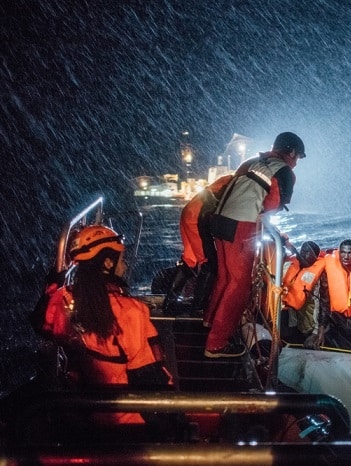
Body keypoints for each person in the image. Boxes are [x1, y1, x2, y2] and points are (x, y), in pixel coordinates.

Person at [43, 225, 172, 424]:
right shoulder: (132, 311)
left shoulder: (63, 300)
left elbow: (42, 321)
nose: (125, 266)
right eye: (123, 261)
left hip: (80, 413)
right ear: (107, 263)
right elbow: (150, 377)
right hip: (127, 422)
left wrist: (57, 277)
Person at [204, 132, 305, 358]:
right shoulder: (284, 171)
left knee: (225, 277)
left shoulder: (250, 162)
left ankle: (209, 322)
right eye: (297, 157)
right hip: (242, 224)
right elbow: (275, 202)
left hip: (219, 220)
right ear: (290, 153)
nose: (296, 163)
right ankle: (216, 344)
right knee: (240, 285)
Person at [164, 174, 234, 316]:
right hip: (197, 217)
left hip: (190, 211)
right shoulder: (242, 185)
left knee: (190, 262)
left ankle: (169, 302)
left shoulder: (233, 179)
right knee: (210, 264)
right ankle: (199, 309)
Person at [280, 241, 325, 345]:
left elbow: (321, 305)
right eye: (302, 250)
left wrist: (317, 331)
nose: (303, 253)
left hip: (311, 327)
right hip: (294, 322)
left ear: (315, 257)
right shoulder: (292, 266)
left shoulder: (319, 277)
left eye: (307, 252)